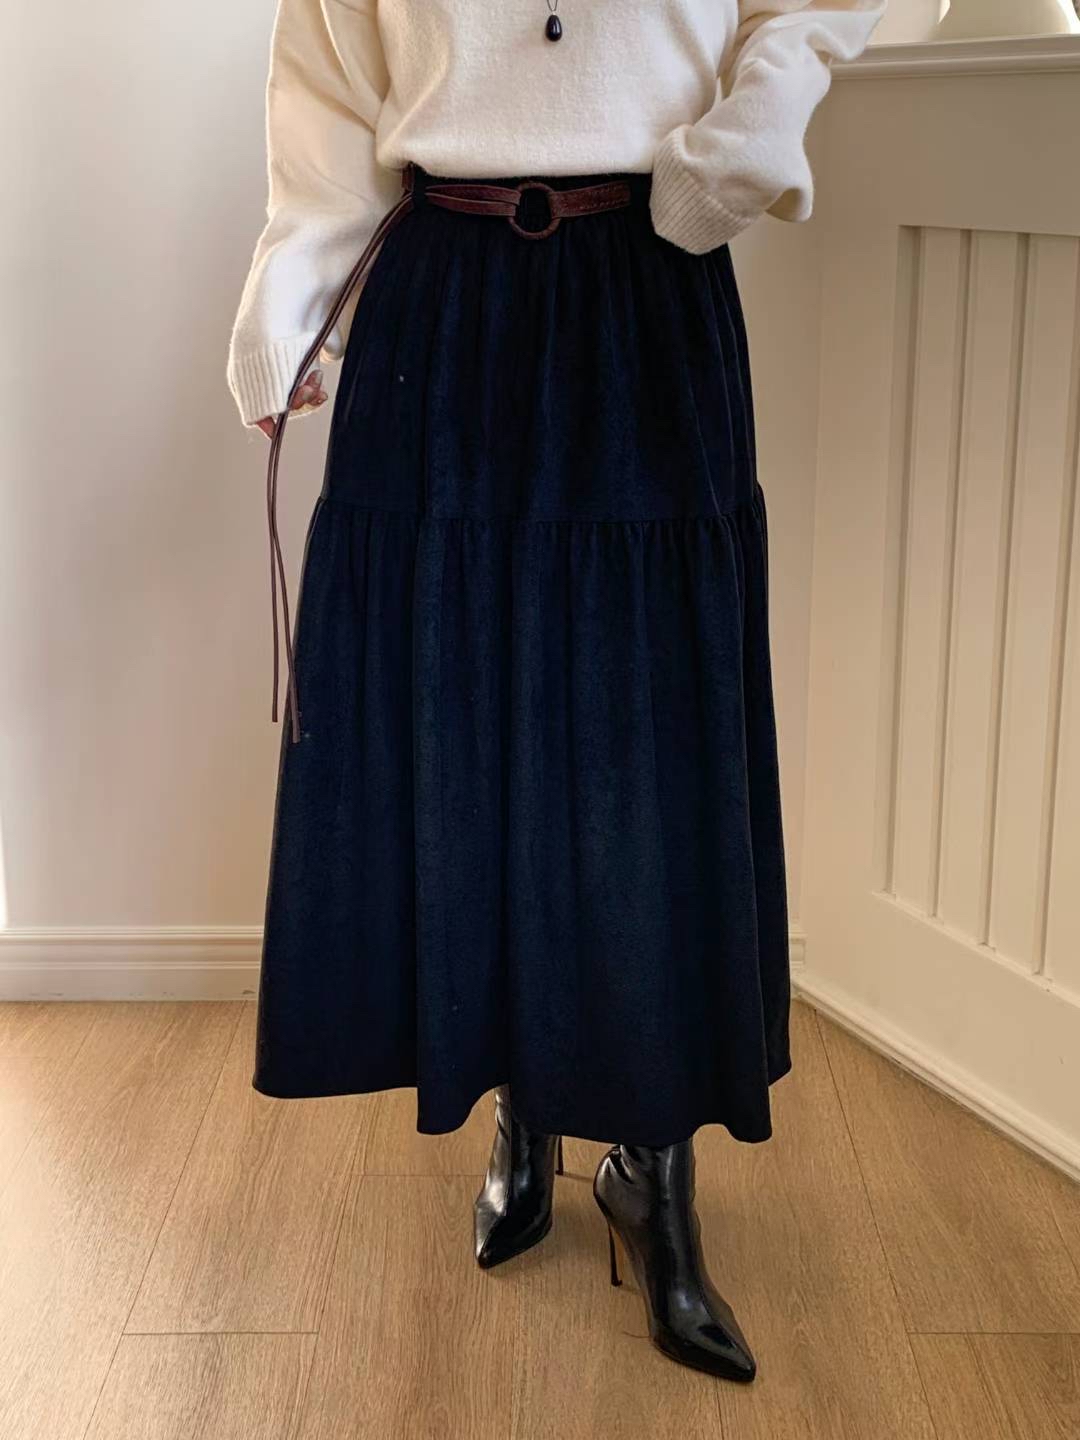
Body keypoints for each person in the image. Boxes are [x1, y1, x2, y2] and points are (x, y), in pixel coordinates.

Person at [226, 0, 884, 1383]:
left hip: (651, 282)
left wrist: (751, 130)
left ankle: (654, 1162)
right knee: (462, 726)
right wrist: (291, 305)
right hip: (440, 301)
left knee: (645, 747)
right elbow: (328, 73)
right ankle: (521, 1106)